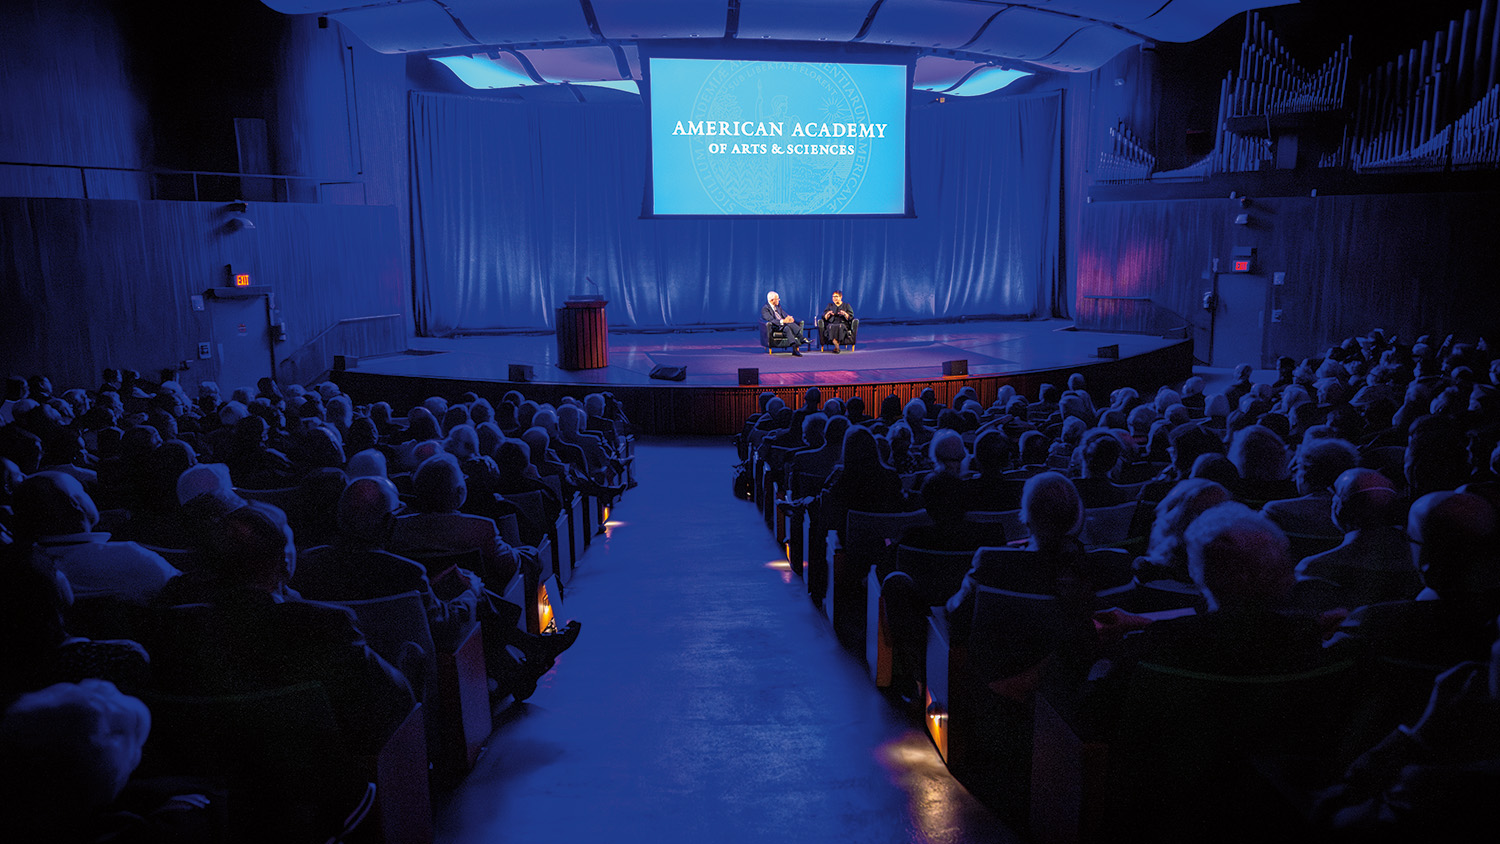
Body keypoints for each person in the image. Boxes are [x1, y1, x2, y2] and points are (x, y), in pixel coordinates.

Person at [761, 291, 804, 356]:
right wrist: (783, 321)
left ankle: (795, 349)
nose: (779, 300)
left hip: (783, 326)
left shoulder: (778, 306)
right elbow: (771, 320)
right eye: (777, 299)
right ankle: (801, 338)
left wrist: (789, 318)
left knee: (787, 327)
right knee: (787, 325)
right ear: (772, 300)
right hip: (774, 327)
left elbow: (784, 314)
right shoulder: (765, 309)